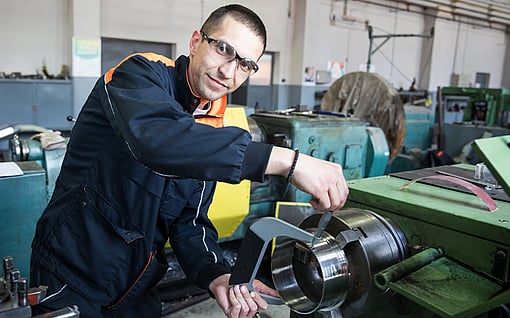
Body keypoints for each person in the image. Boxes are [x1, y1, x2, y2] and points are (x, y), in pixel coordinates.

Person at [30, 4, 349, 318]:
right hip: (70, 276)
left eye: (246, 65)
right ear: (196, 42)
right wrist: (286, 161)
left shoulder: (212, 124)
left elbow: (190, 223)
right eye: (224, 49)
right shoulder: (137, 76)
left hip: (135, 291)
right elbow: (159, 140)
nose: (229, 71)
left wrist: (216, 275)